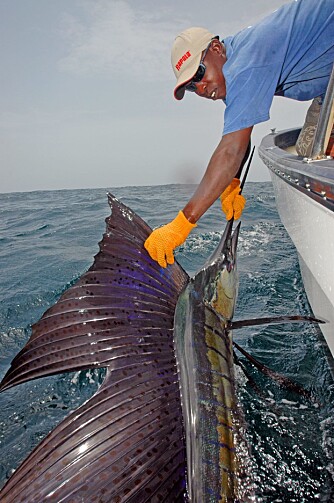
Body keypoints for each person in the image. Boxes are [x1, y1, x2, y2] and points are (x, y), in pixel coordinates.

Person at [144, 0, 334, 268]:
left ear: (216, 48)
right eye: (191, 87)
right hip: (328, 88)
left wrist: (181, 225)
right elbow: (240, 137)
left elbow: (230, 149)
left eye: (199, 72)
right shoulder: (232, 73)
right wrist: (232, 182)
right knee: (310, 153)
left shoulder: (245, 66)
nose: (201, 87)